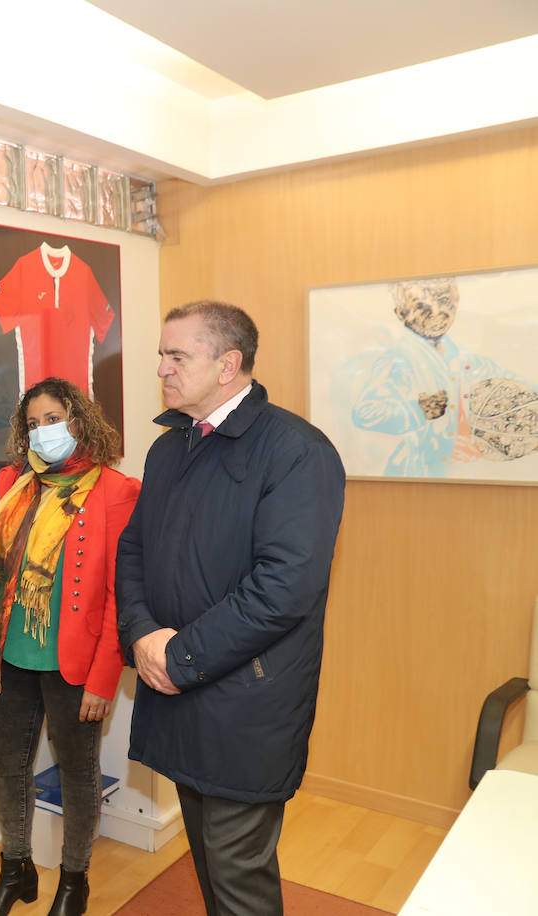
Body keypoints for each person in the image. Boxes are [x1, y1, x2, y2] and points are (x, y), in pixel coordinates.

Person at [116, 301, 346, 916]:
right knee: (208, 861)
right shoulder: (170, 449)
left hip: (247, 698)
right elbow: (135, 547)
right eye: (161, 355)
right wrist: (140, 634)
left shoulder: (297, 451)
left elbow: (284, 588)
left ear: (228, 364)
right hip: (179, 686)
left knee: (238, 874)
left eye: (176, 356)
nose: (161, 368)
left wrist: (178, 654)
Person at [0, 378, 139, 916]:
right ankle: (15, 870)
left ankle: (73, 880)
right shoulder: (15, 485)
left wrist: (104, 677)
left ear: (80, 419)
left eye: (54, 419)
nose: (44, 432)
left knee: (77, 770)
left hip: (75, 663)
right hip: (8, 655)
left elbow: (119, 595)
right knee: (7, 764)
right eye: (34, 423)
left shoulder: (117, 490)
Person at [351, 277, 523, 476]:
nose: (437, 312)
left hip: (468, 476)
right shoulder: (398, 361)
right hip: (418, 475)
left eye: (445, 302)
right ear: (401, 314)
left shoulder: (463, 358)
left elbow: (510, 381)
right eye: (423, 307)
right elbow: (365, 412)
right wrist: (419, 411)